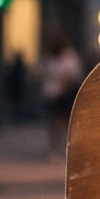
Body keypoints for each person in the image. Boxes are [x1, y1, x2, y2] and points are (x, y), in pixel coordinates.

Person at [41, 29, 83, 157]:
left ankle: (67, 150)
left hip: (65, 94)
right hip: (53, 94)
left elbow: (74, 75)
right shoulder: (49, 57)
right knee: (56, 123)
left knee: (65, 123)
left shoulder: (69, 56)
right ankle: (55, 149)